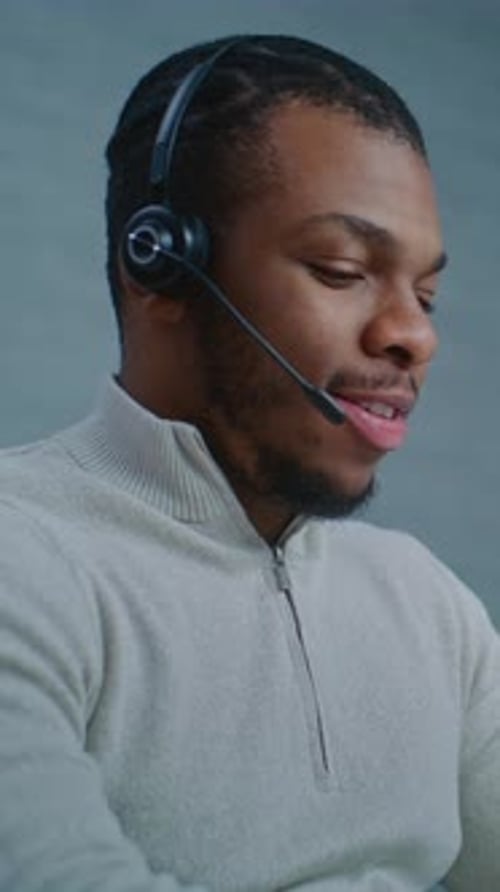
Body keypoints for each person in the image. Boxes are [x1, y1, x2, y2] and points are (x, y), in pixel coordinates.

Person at [0, 33, 498, 892]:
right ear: (160, 263)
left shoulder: (428, 603)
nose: (414, 335)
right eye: (342, 269)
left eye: (426, 295)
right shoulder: (23, 558)